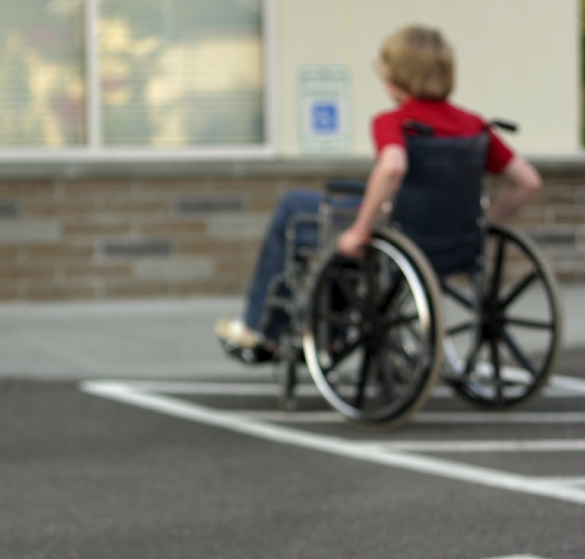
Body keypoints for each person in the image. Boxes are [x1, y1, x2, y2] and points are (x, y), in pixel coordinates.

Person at [215, 25, 541, 359]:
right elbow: (528, 182)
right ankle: (330, 333)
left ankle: (258, 328)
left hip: (400, 233)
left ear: (396, 77)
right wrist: (479, 227)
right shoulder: (474, 125)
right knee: (339, 223)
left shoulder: (396, 122)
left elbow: (393, 167)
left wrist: (360, 229)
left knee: (295, 209)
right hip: (452, 242)